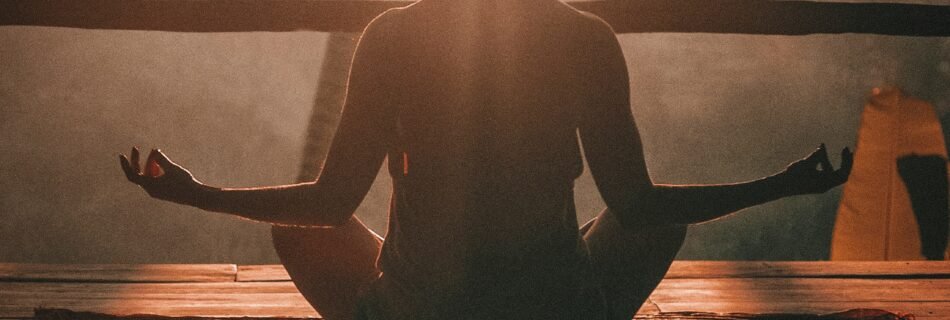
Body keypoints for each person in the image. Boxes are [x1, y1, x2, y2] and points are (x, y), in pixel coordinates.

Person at [120, 0, 852, 319]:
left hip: (423, 311)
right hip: (554, 310)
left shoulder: (392, 37)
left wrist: (198, 192)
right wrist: (781, 185)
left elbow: (329, 204)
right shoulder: (584, 39)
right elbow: (639, 207)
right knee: (654, 224)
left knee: (295, 233)